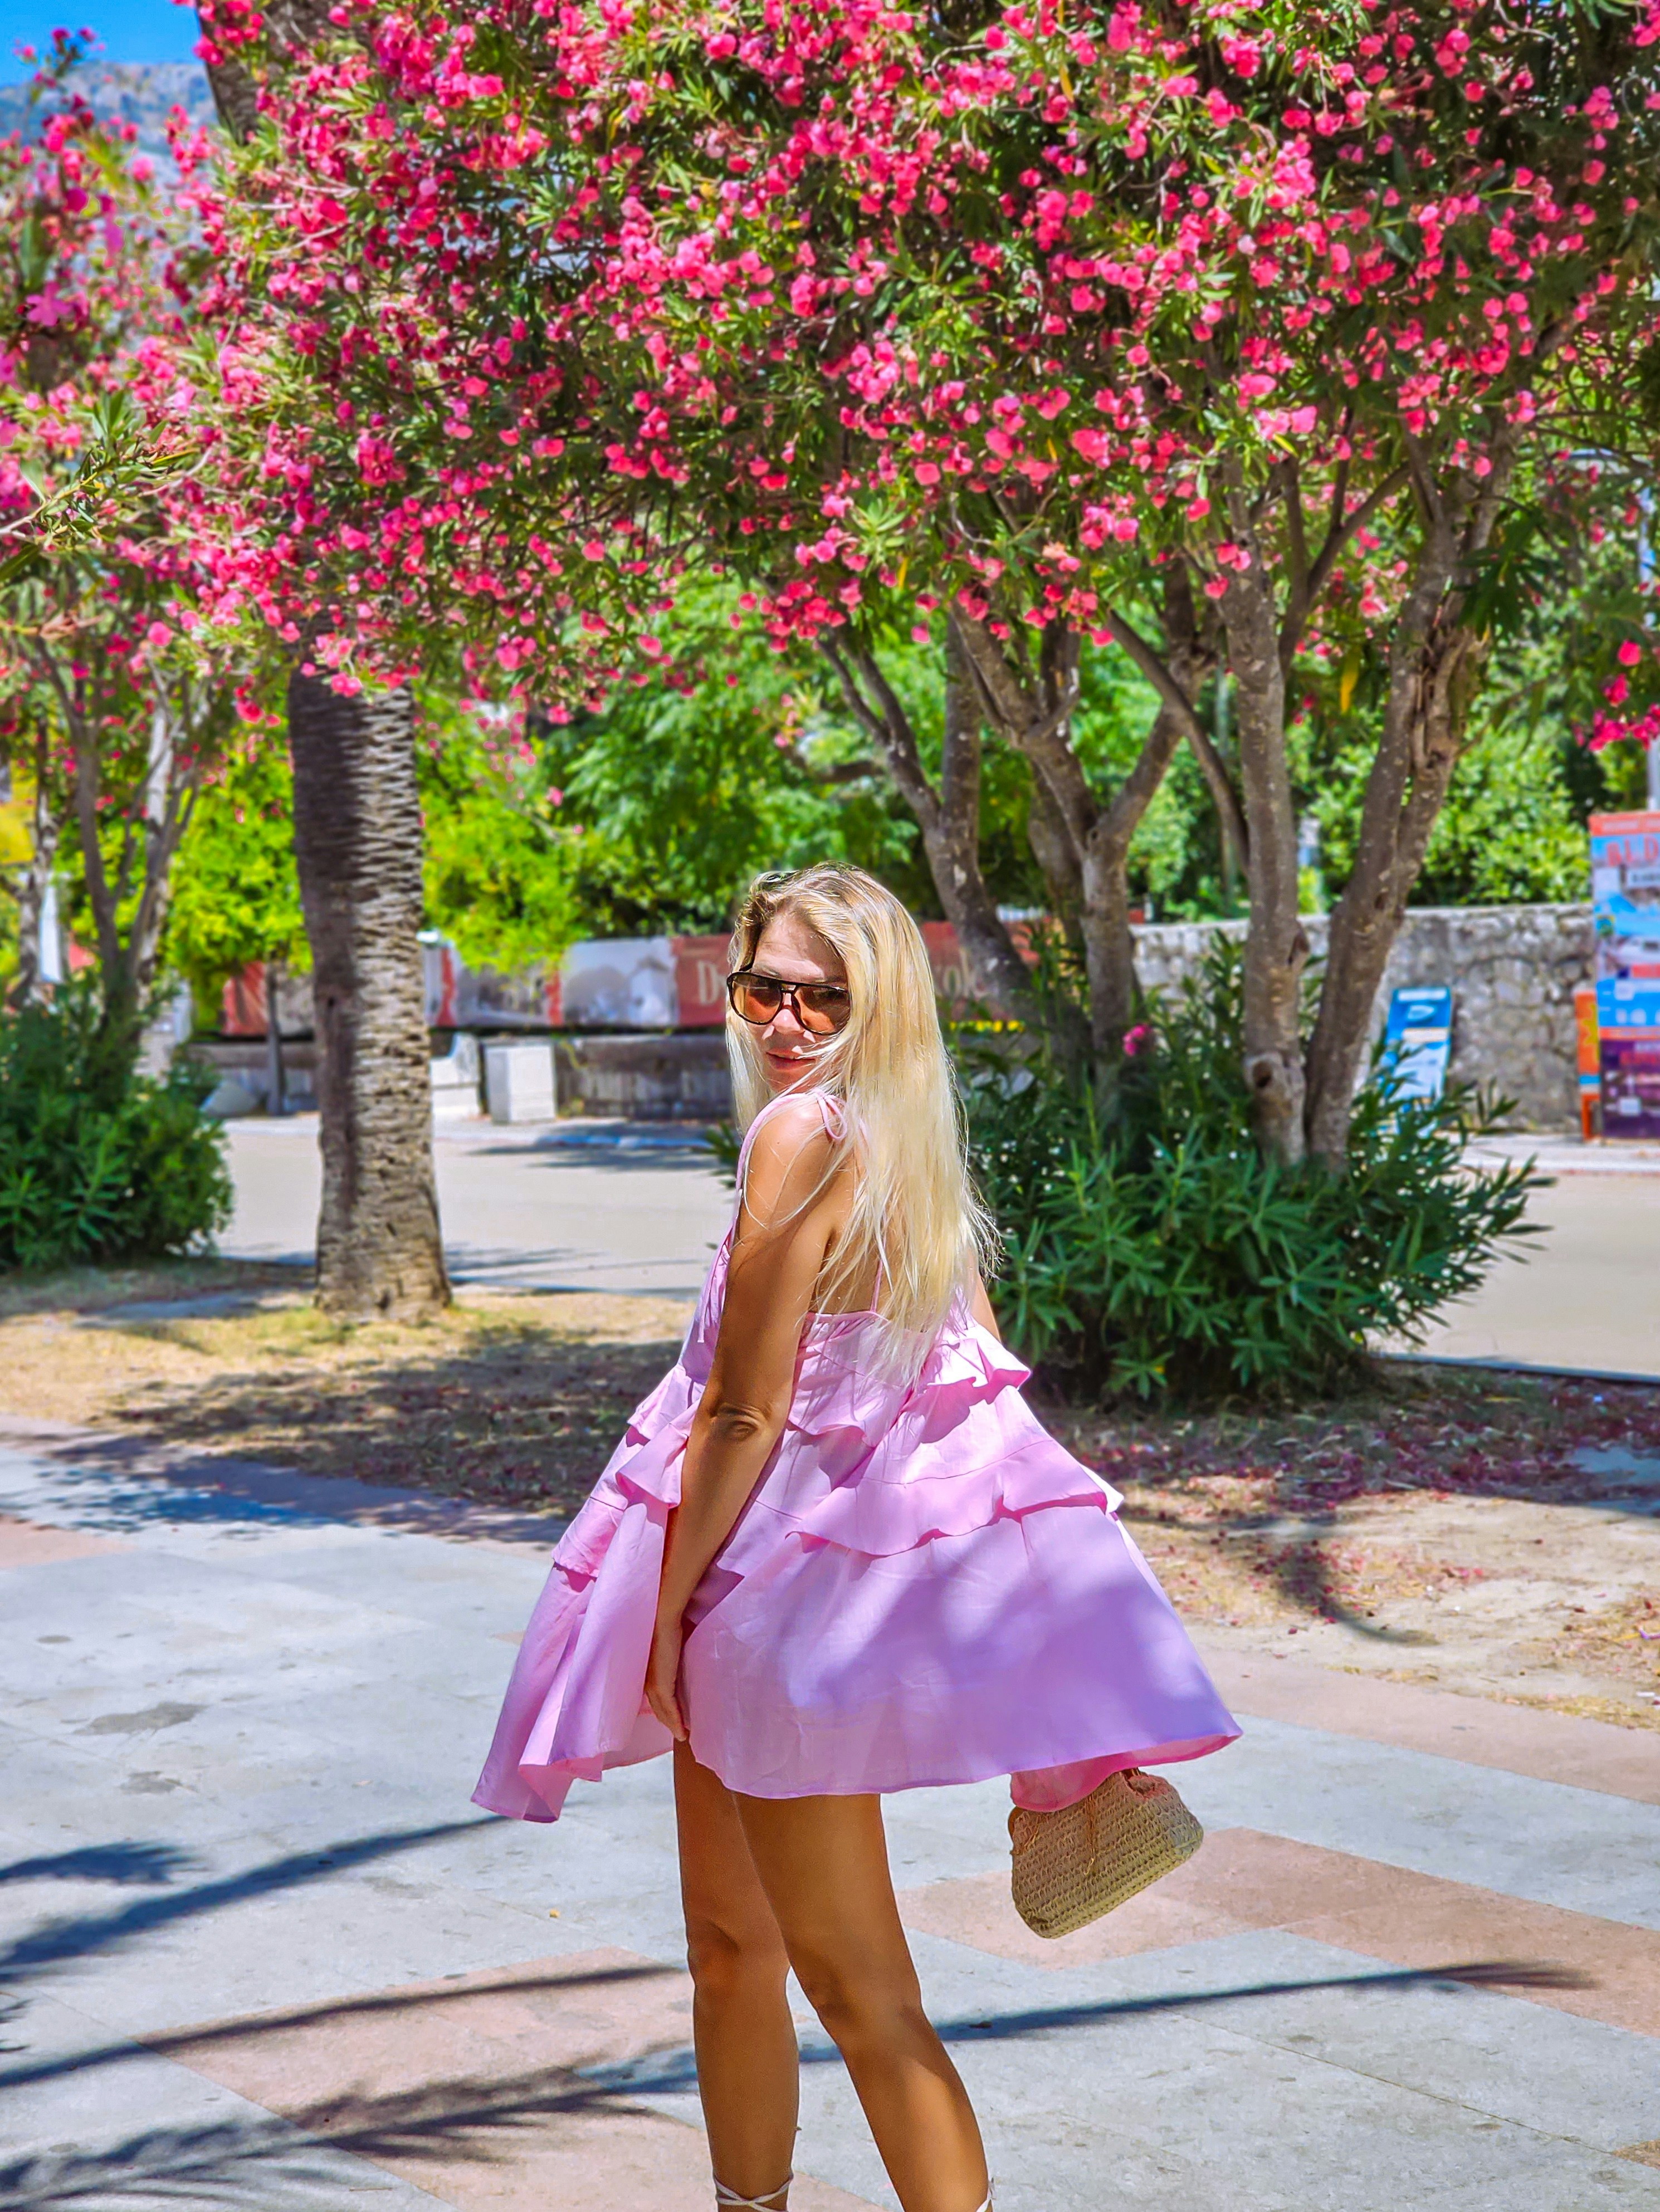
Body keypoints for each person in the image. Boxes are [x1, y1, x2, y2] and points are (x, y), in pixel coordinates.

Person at [475, 865, 1239, 2212]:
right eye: (763, 985)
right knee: (727, 1949)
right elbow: (975, 1375)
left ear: (878, 1005)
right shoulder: (898, 1141)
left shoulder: (805, 1136)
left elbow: (745, 1411)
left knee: (857, 1987)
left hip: (762, 1599)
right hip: (765, 1589)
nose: (784, 1017)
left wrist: (656, 1619)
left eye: (825, 996)